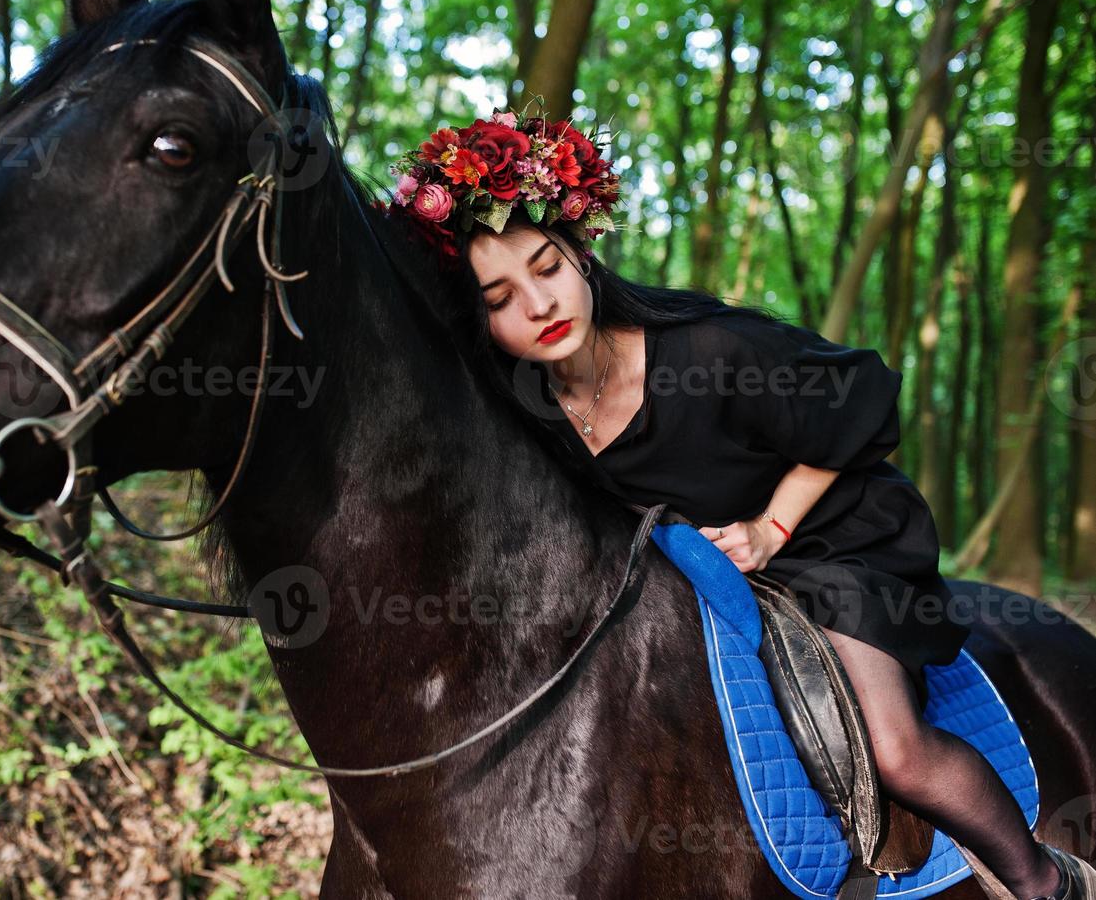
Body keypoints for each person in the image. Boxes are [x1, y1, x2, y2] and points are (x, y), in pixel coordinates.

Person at [386, 105, 1095, 900]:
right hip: (712, 576)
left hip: (833, 543)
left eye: (545, 268)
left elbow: (858, 399)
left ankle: (1043, 882)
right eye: (500, 297)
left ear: (582, 254)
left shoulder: (708, 353)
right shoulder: (529, 411)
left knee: (894, 749)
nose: (538, 305)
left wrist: (770, 528)